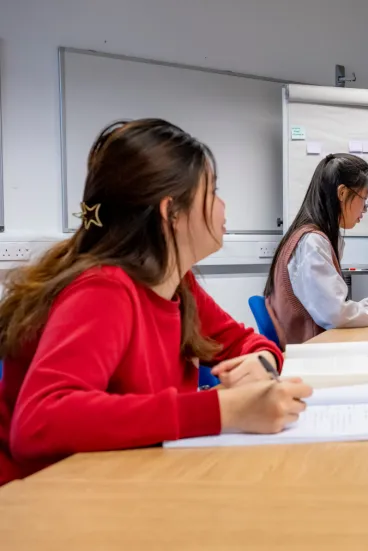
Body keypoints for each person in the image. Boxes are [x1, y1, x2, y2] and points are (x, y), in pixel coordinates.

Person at [0, 119, 312, 486]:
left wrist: (262, 362)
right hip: (45, 504)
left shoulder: (177, 284)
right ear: (171, 213)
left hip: (127, 482)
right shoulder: (104, 290)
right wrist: (222, 409)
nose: (224, 205)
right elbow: (40, 421)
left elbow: (244, 341)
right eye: (213, 192)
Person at [265, 154, 368, 347]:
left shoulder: (311, 236)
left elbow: (337, 307)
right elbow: (337, 315)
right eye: (364, 199)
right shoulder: (312, 243)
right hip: (311, 354)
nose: (364, 210)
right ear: (342, 193)